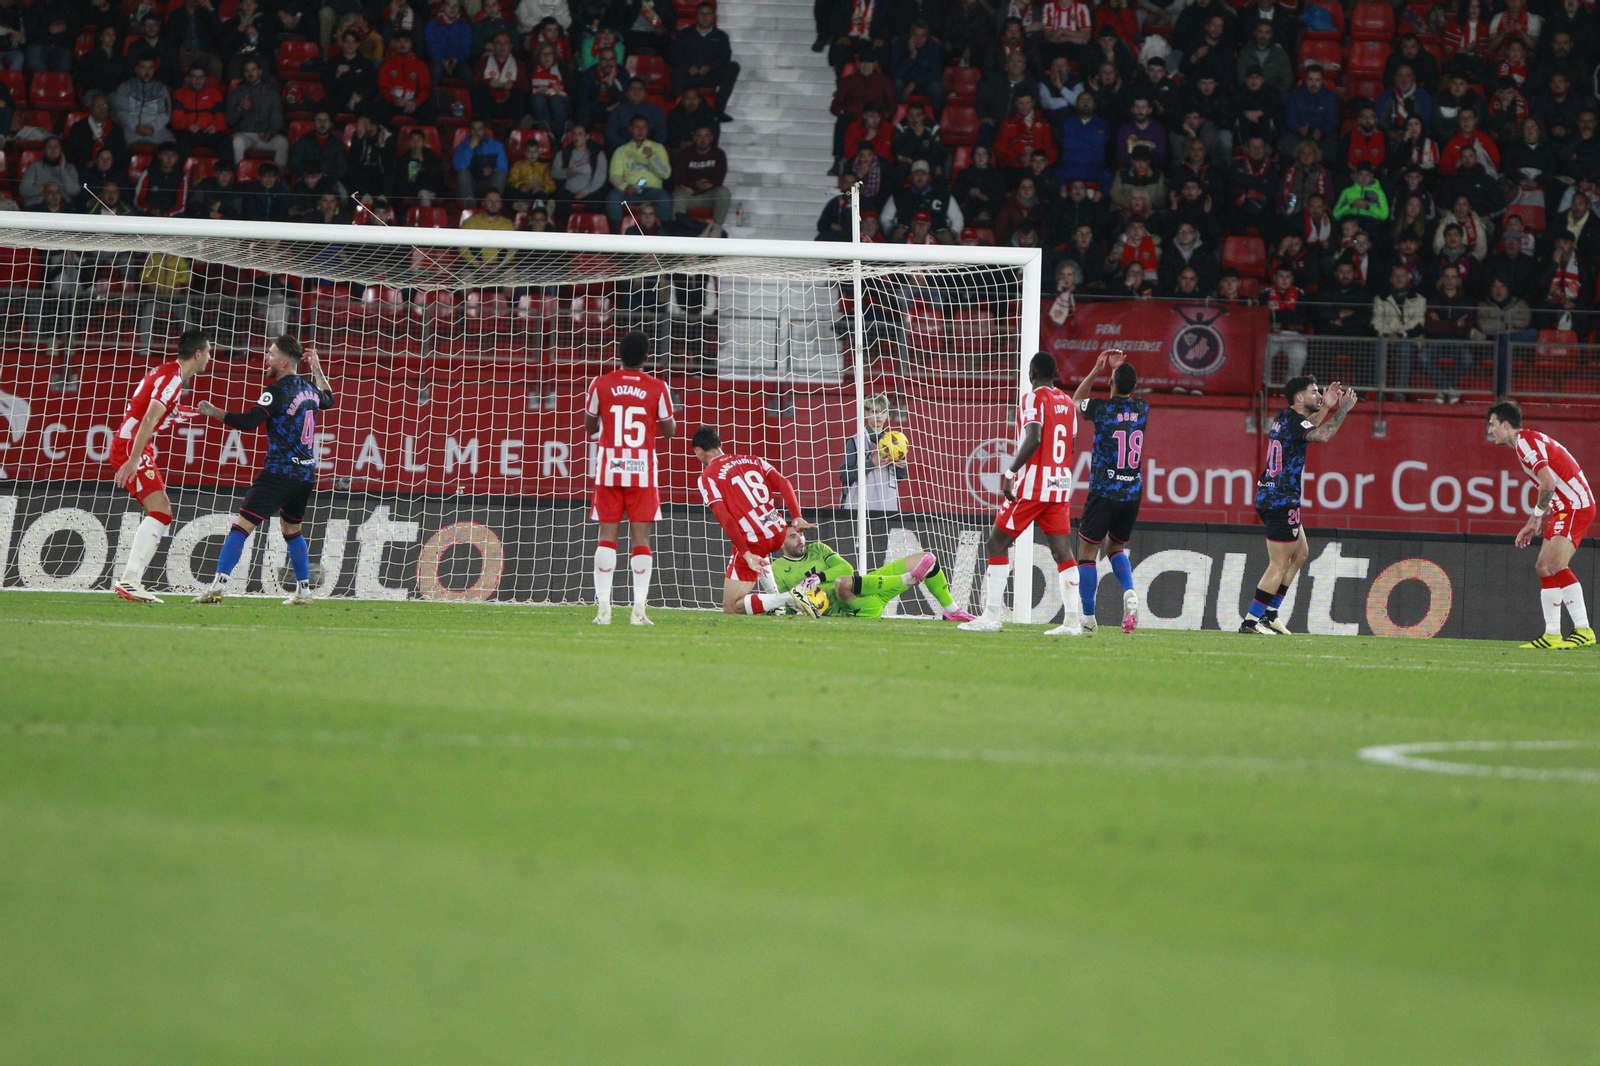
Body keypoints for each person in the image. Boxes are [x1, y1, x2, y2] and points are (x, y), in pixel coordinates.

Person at [192, 335, 335, 605]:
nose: (266, 358)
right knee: (292, 530)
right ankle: (303, 592)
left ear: (283, 362)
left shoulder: (276, 391)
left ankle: (217, 585)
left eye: (270, 354)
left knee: (241, 525)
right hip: (305, 474)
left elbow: (248, 422)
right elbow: (329, 398)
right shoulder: (309, 390)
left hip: (279, 473)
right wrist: (316, 368)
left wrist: (214, 412)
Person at [959, 351, 1084, 636]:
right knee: (1062, 550)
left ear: (1031, 374)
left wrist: (1011, 472)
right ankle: (1072, 622)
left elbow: (1035, 435)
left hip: (1032, 486)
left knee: (996, 543)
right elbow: (1071, 446)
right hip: (1060, 484)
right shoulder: (1068, 403)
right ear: (1054, 375)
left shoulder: (1032, 398)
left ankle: (991, 616)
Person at [1242, 375, 1357, 634]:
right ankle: (1251, 620)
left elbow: (1307, 428)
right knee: (1279, 563)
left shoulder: (1286, 417)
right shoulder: (1294, 420)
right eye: (1314, 392)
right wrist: (1342, 410)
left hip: (1273, 495)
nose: (1318, 394)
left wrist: (1326, 406)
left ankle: (1270, 613)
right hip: (1281, 498)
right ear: (1299, 397)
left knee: (1301, 552)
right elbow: (1322, 436)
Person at [107, 329, 213, 603]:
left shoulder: (167, 373)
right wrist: (132, 460)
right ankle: (130, 580)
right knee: (161, 510)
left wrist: (197, 412)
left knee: (158, 511)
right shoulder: (172, 378)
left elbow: (162, 414)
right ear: (198, 354)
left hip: (134, 445)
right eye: (209, 352)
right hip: (133, 445)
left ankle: (131, 579)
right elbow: (149, 420)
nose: (210, 357)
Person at [1486, 399, 1594, 649]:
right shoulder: (1527, 441)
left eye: (1492, 424)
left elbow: (1548, 483)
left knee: (1556, 564)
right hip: (1564, 507)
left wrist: (1536, 518)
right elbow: (1550, 484)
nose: (1490, 430)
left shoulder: (1525, 443)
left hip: (1574, 506)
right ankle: (1553, 634)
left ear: (1505, 424)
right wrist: (1534, 521)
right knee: (1544, 566)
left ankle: (1584, 630)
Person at [584, 329, 675, 625]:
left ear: (619, 355)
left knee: (607, 538)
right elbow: (669, 430)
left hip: (610, 469)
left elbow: (589, 426)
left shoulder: (601, 383)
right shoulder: (658, 387)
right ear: (647, 357)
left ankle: (603, 609)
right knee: (642, 540)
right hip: (643, 472)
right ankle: (638, 610)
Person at [691, 425, 818, 617]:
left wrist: (746, 553)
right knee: (760, 549)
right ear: (720, 444)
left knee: (731, 606)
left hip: (755, 540)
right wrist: (797, 515)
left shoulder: (707, 476)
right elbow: (784, 482)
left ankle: (789, 597)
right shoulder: (753, 459)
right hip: (778, 530)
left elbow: (725, 519)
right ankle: (776, 602)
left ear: (698, 450)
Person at [1070, 348, 1144, 634]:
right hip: (1131, 493)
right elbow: (1126, 387)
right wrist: (1120, 372)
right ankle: (1129, 590)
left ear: (1110, 383)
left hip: (1103, 491)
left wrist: (1096, 370)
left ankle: (1088, 619)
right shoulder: (1143, 409)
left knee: (1088, 554)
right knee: (1116, 548)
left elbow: (1076, 400)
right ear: (1134, 387)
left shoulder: (1100, 409)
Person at [770, 528, 976, 621]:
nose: (801, 540)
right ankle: (909, 579)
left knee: (926, 559)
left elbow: (846, 568)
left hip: (871, 587)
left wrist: (818, 578)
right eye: (793, 536)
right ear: (781, 544)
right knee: (842, 584)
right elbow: (784, 603)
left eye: (802, 534)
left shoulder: (818, 549)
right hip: (851, 607)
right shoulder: (777, 570)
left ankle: (952, 611)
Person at [607, 115, 672, 225]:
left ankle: (663, 234)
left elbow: (666, 174)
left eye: (644, 127)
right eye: (636, 127)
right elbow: (614, 175)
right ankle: (616, 234)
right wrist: (625, 186)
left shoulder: (658, 148)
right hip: (629, 191)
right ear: (630, 130)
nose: (640, 130)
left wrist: (652, 157)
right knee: (613, 197)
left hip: (653, 191)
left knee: (664, 199)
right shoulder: (621, 150)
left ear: (648, 129)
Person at [226, 58, 288, 170]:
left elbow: (277, 119)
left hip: (265, 136)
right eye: (247, 71)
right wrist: (239, 108)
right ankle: (239, 175)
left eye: (253, 70)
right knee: (237, 141)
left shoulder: (272, 93)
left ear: (260, 71)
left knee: (282, 142)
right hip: (244, 134)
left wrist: (271, 132)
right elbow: (229, 120)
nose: (250, 73)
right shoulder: (237, 92)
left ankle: (279, 177)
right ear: (244, 73)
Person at [453, 117, 509, 207]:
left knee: (500, 174)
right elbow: (459, 168)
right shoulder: (461, 147)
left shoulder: (497, 146)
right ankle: (469, 206)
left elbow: (503, 168)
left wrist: (491, 170)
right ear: (470, 131)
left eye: (480, 129)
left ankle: (492, 205)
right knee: (462, 174)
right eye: (473, 129)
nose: (476, 132)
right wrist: (470, 148)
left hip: (489, 183)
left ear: (485, 130)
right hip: (471, 184)